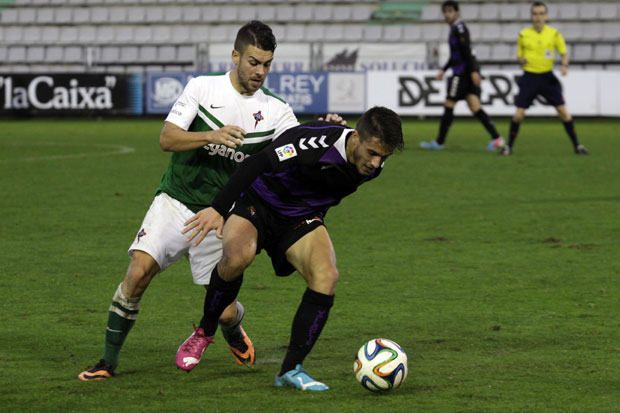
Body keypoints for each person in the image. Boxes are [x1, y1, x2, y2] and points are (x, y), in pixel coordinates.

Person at [79, 20, 343, 381]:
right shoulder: (203, 88)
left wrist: (325, 130)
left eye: (266, 64)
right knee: (138, 273)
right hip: (177, 201)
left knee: (223, 311)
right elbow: (167, 139)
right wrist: (209, 135)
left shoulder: (277, 110)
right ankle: (107, 362)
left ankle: (233, 329)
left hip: (224, 215)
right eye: (253, 62)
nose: (260, 72)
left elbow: (296, 151)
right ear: (235, 56)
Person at [177, 106, 404, 391]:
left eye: (384, 157)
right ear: (356, 137)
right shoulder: (311, 144)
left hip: (300, 217)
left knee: (326, 277)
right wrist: (218, 208)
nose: (376, 163)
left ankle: (290, 369)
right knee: (237, 258)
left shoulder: (371, 166)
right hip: (259, 201)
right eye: (372, 152)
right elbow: (255, 164)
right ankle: (204, 331)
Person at [500, 1, 589, 155]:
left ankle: (577, 146)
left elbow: (564, 53)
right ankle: (509, 147)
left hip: (547, 77)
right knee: (519, 114)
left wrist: (564, 65)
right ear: (531, 16)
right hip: (530, 77)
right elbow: (519, 56)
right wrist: (521, 60)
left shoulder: (554, 34)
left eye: (541, 14)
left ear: (546, 16)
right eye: (535, 14)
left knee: (563, 112)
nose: (538, 17)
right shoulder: (523, 34)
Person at [420, 0, 504, 151]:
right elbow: (455, 56)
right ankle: (497, 138)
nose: (447, 14)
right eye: (445, 12)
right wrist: (444, 70)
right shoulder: (455, 28)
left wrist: (473, 72)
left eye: (450, 11)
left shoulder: (459, 29)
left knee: (449, 104)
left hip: (462, 74)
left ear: (457, 13)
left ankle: (439, 142)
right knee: (475, 106)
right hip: (465, 72)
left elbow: (467, 52)